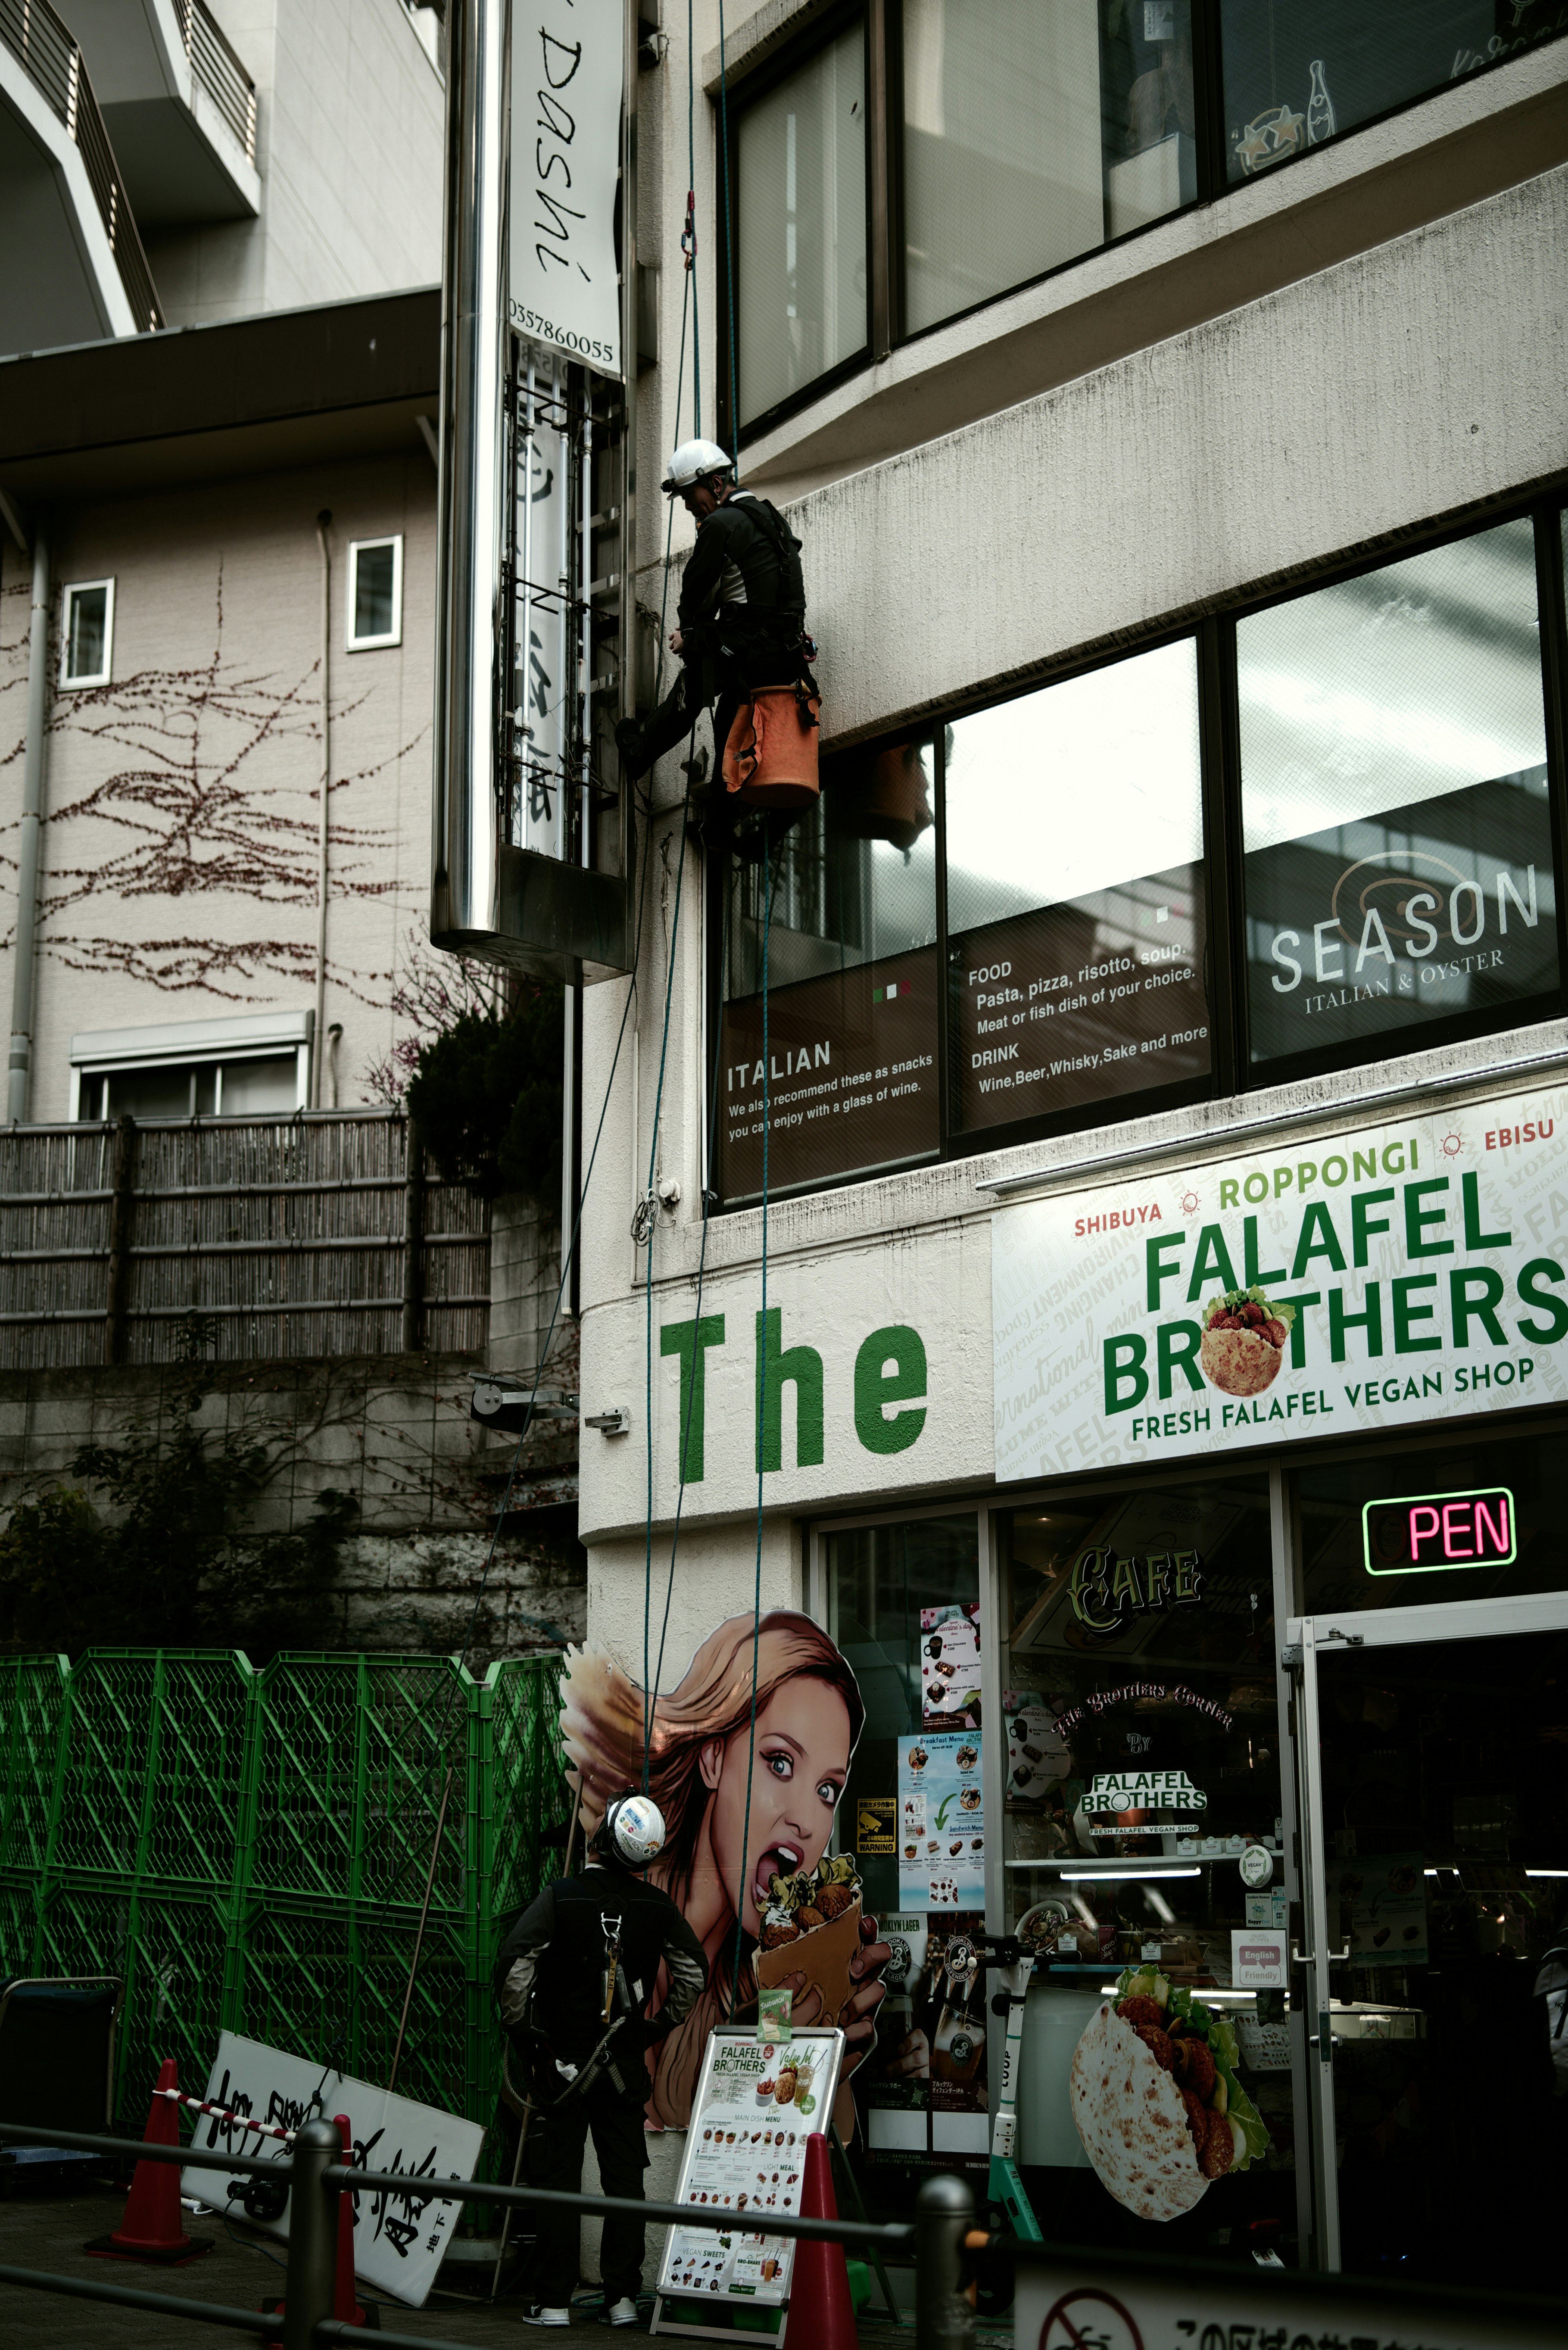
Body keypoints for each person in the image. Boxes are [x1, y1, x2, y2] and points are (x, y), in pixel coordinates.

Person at [559, 1612, 892, 2135]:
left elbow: (797, 2139)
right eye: (780, 1762)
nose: (807, 1822)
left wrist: (828, 2070)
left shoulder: (765, 1980)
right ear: (712, 1757)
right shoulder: (625, 1931)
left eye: (828, 1789)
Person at [495, 1789, 708, 2328]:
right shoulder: (657, 1907)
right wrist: (655, 2026)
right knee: (625, 2182)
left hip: (561, 2068)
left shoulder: (561, 1896)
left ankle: (553, 2302)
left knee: (560, 2181)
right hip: (623, 2068)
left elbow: (517, 1964)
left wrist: (526, 2029)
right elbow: (693, 1976)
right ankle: (621, 2299)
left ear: (602, 1836)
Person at [614, 441, 817, 808]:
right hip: (784, 650)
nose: (689, 506)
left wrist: (688, 635)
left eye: (690, 496)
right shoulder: (768, 516)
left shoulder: (721, 524)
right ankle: (724, 818)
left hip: (749, 645)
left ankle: (639, 752)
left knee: (697, 679)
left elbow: (695, 592)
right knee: (730, 715)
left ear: (717, 483)